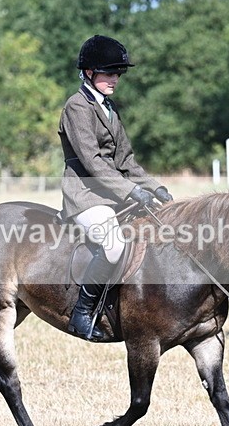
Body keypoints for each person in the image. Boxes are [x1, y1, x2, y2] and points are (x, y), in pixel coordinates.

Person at [59, 34, 173, 341]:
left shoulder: (109, 108)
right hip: (84, 195)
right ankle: (82, 312)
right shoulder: (76, 107)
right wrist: (130, 191)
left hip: (113, 195)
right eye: (109, 72)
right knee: (114, 245)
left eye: (117, 73)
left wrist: (156, 188)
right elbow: (93, 162)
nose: (115, 79)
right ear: (88, 72)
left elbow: (126, 161)